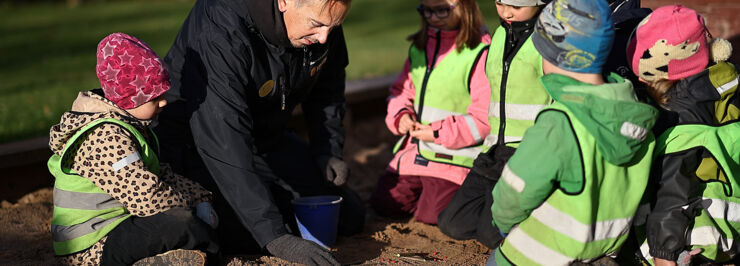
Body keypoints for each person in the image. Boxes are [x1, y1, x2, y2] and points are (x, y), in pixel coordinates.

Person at [152, 0, 364, 265]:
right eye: (317, 25)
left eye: (334, 27)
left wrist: (327, 151)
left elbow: (328, 89)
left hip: (266, 139)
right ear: (285, 2)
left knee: (348, 216)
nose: (324, 38)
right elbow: (223, 139)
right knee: (243, 233)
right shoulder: (221, 27)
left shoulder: (325, 17)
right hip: (196, 146)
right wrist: (275, 236)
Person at [488, 0, 659, 264]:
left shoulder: (559, 122)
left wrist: (502, 223)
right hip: (603, 251)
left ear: (554, 54)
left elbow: (516, 190)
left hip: (540, 254)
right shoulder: (636, 115)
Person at [47, 32, 219, 266]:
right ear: (128, 100)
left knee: (182, 223)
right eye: (154, 98)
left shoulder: (129, 125)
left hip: (116, 227)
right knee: (180, 224)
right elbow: (147, 198)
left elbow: (161, 176)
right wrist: (189, 210)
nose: (164, 102)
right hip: (90, 248)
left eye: (163, 94)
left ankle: (160, 258)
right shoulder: (105, 137)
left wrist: (200, 196)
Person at [626, 5, 740, 265]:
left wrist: (664, 252)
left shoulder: (680, 113)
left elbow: (672, 187)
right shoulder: (724, 83)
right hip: (729, 215)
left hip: (693, 236)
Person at [437, 0, 551, 249]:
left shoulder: (547, 41)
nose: (506, 12)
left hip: (526, 151)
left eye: (516, 6)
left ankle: (535, 227)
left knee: (491, 236)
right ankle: (504, 221)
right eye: (500, 3)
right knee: (452, 223)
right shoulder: (500, 34)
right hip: (493, 148)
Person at [367, 0, 492, 225]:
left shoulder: (480, 53)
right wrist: (401, 115)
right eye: (426, 10)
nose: (433, 17)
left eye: (441, 10)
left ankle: (478, 193)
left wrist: (436, 133)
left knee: (434, 215)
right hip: (416, 151)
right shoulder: (419, 48)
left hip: (455, 156)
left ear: (465, 7)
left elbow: (484, 118)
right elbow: (400, 90)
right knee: (385, 203)